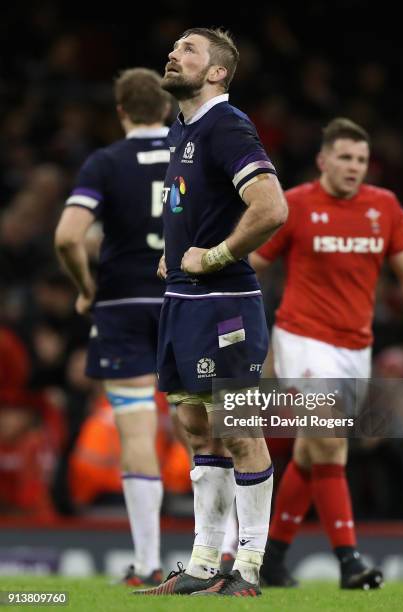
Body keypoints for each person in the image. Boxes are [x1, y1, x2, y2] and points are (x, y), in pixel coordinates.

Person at [250, 117, 403, 589]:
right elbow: (254, 260)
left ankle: (272, 557)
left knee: (314, 453)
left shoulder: (385, 207)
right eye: (345, 158)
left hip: (356, 346)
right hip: (302, 338)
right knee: (331, 439)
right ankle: (350, 561)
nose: (354, 167)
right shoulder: (295, 204)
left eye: (361, 159)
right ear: (323, 161)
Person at [139, 28, 287, 598]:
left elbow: (271, 207)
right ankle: (203, 563)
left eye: (189, 50)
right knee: (194, 426)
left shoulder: (226, 125)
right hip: (183, 300)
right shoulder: (184, 128)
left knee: (238, 427)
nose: (174, 54)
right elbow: (195, 205)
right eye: (173, 47)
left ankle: (247, 569)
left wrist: (218, 255)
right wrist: (175, 257)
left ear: (218, 72)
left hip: (224, 302)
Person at [55, 68, 171, 586]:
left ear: (121, 111)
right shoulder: (193, 154)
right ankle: (224, 554)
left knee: (136, 426)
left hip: (122, 303)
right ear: (167, 109)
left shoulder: (105, 162)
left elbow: (66, 237)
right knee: (207, 429)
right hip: (185, 300)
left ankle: (147, 564)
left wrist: (85, 288)